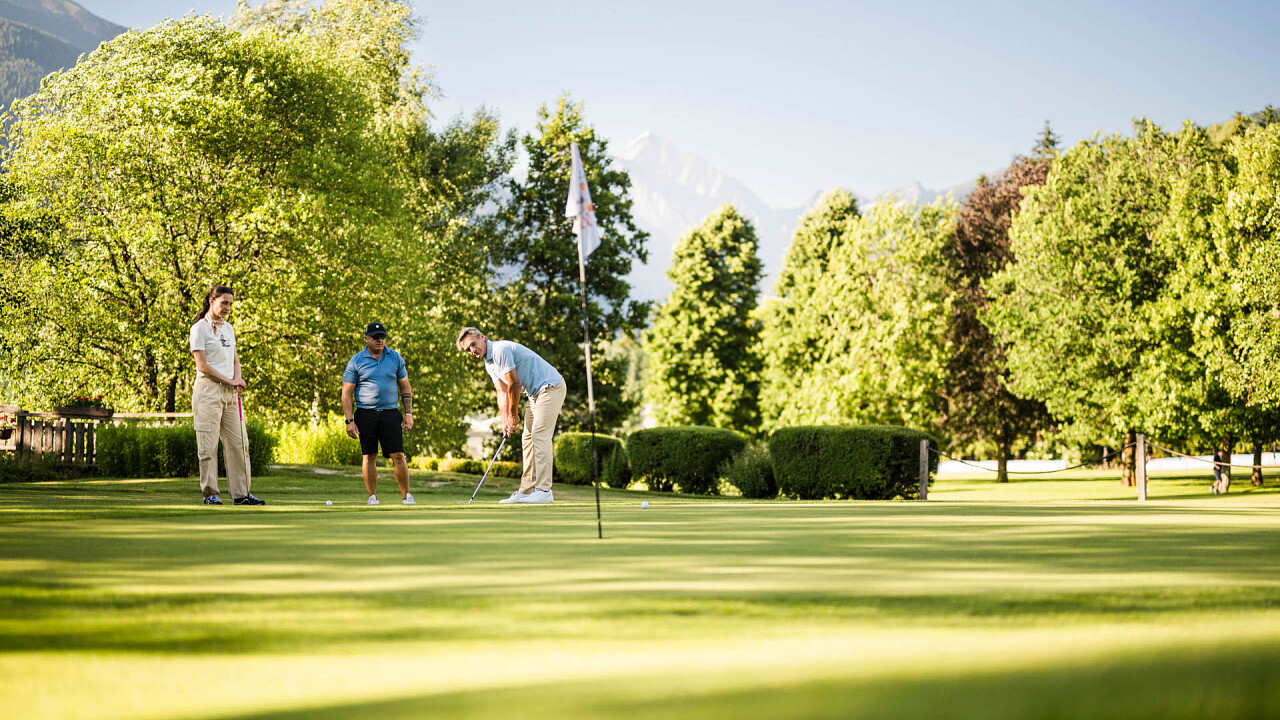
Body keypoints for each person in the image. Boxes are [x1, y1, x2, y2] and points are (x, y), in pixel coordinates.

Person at [456, 327, 565, 504]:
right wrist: (505, 420)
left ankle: (544, 491)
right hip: (535, 394)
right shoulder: (489, 364)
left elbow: (514, 385)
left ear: (482, 338)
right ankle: (527, 490)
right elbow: (501, 392)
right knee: (528, 439)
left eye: (473, 345)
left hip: (551, 387)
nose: (472, 351)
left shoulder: (500, 351)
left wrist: (513, 415)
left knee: (539, 435)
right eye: (468, 350)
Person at [188, 283, 264, 506]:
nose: (227, 307)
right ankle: (211, 493)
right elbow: (202, 366)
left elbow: (234, 360)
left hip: (231, 394)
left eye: (230, 304)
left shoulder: (228, 328)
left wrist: (237, 379)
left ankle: (241, 494)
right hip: (208, 392)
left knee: (239, 444)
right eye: (224, 303)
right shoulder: (199, 329)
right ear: (211, 302)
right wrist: (231, 380)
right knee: (208, 445)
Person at [342, 322, 415, 506]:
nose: (379, 340)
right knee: (369, 455)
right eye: (375, 337)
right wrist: (349, 421)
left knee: (398, 454)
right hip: (365, 413)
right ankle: (372, 496)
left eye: (382, 337)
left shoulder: (395, 358)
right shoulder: (356, 361)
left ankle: (406, 496)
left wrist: (408, 414)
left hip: (390, 412)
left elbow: (405, 386)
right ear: (366, 338)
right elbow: (346, 393)